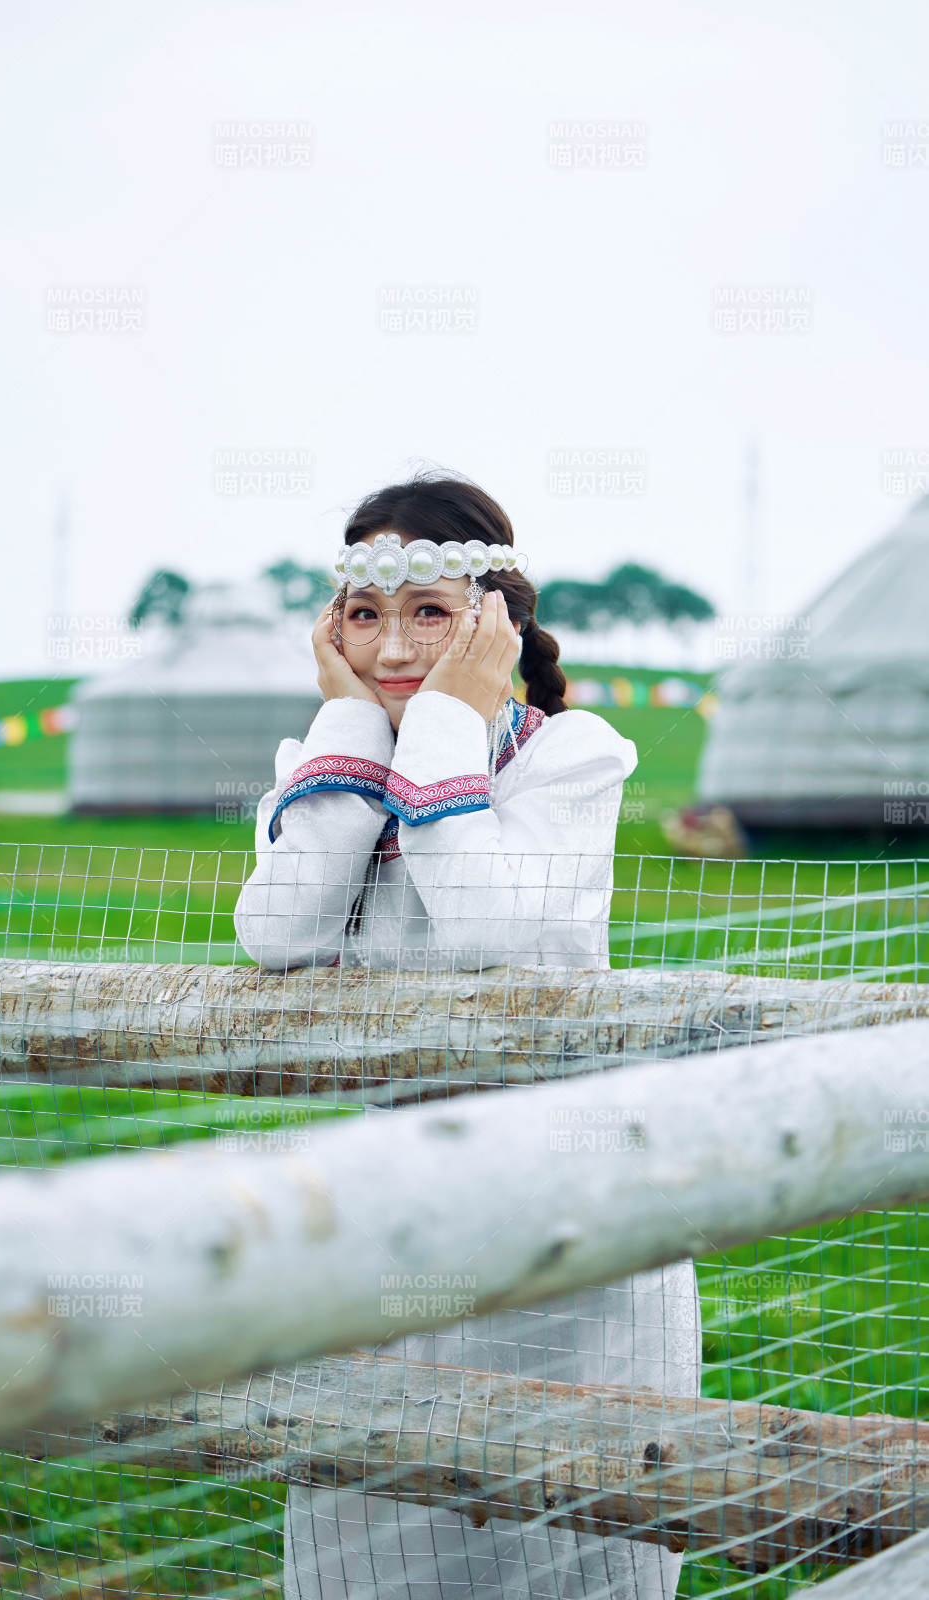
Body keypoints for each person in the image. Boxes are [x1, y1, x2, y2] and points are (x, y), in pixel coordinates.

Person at [234, 473, 702, 1598]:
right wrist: (352, 725)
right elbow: (277, 928)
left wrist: (442, 717)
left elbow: (490, 922)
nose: (391, 643)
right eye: (363, 614)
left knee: (548, 1507)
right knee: (377, 1512)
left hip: (557, 1192)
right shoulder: (324, 764)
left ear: (493, 619)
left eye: (429, 611)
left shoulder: (567, 756)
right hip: (386, 1191)